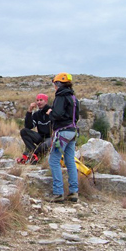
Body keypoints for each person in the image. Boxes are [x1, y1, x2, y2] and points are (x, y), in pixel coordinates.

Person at [46, 72, 80, 203]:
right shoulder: (73, 98)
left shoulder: (61, 96)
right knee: (70, 161)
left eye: (55, 83)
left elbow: (57, 114)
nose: (54, 86)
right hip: (73, 131)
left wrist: (50, 113)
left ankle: (58, 193)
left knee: (53, 161)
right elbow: (76, 117)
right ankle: (73, 192)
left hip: (63, 132)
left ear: (58, 83)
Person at [18, 93, 52, 164]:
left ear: (46, 101)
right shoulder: (37, 114)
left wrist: (51, 115)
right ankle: (33, 153)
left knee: (46, 144)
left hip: (50, 138)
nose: (38, 102)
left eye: (41, 100)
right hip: (40, 137)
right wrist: (29, 111)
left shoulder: (52, 111)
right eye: (37, 100)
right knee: (24, 131)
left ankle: (33, 156)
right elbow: (28, 126)